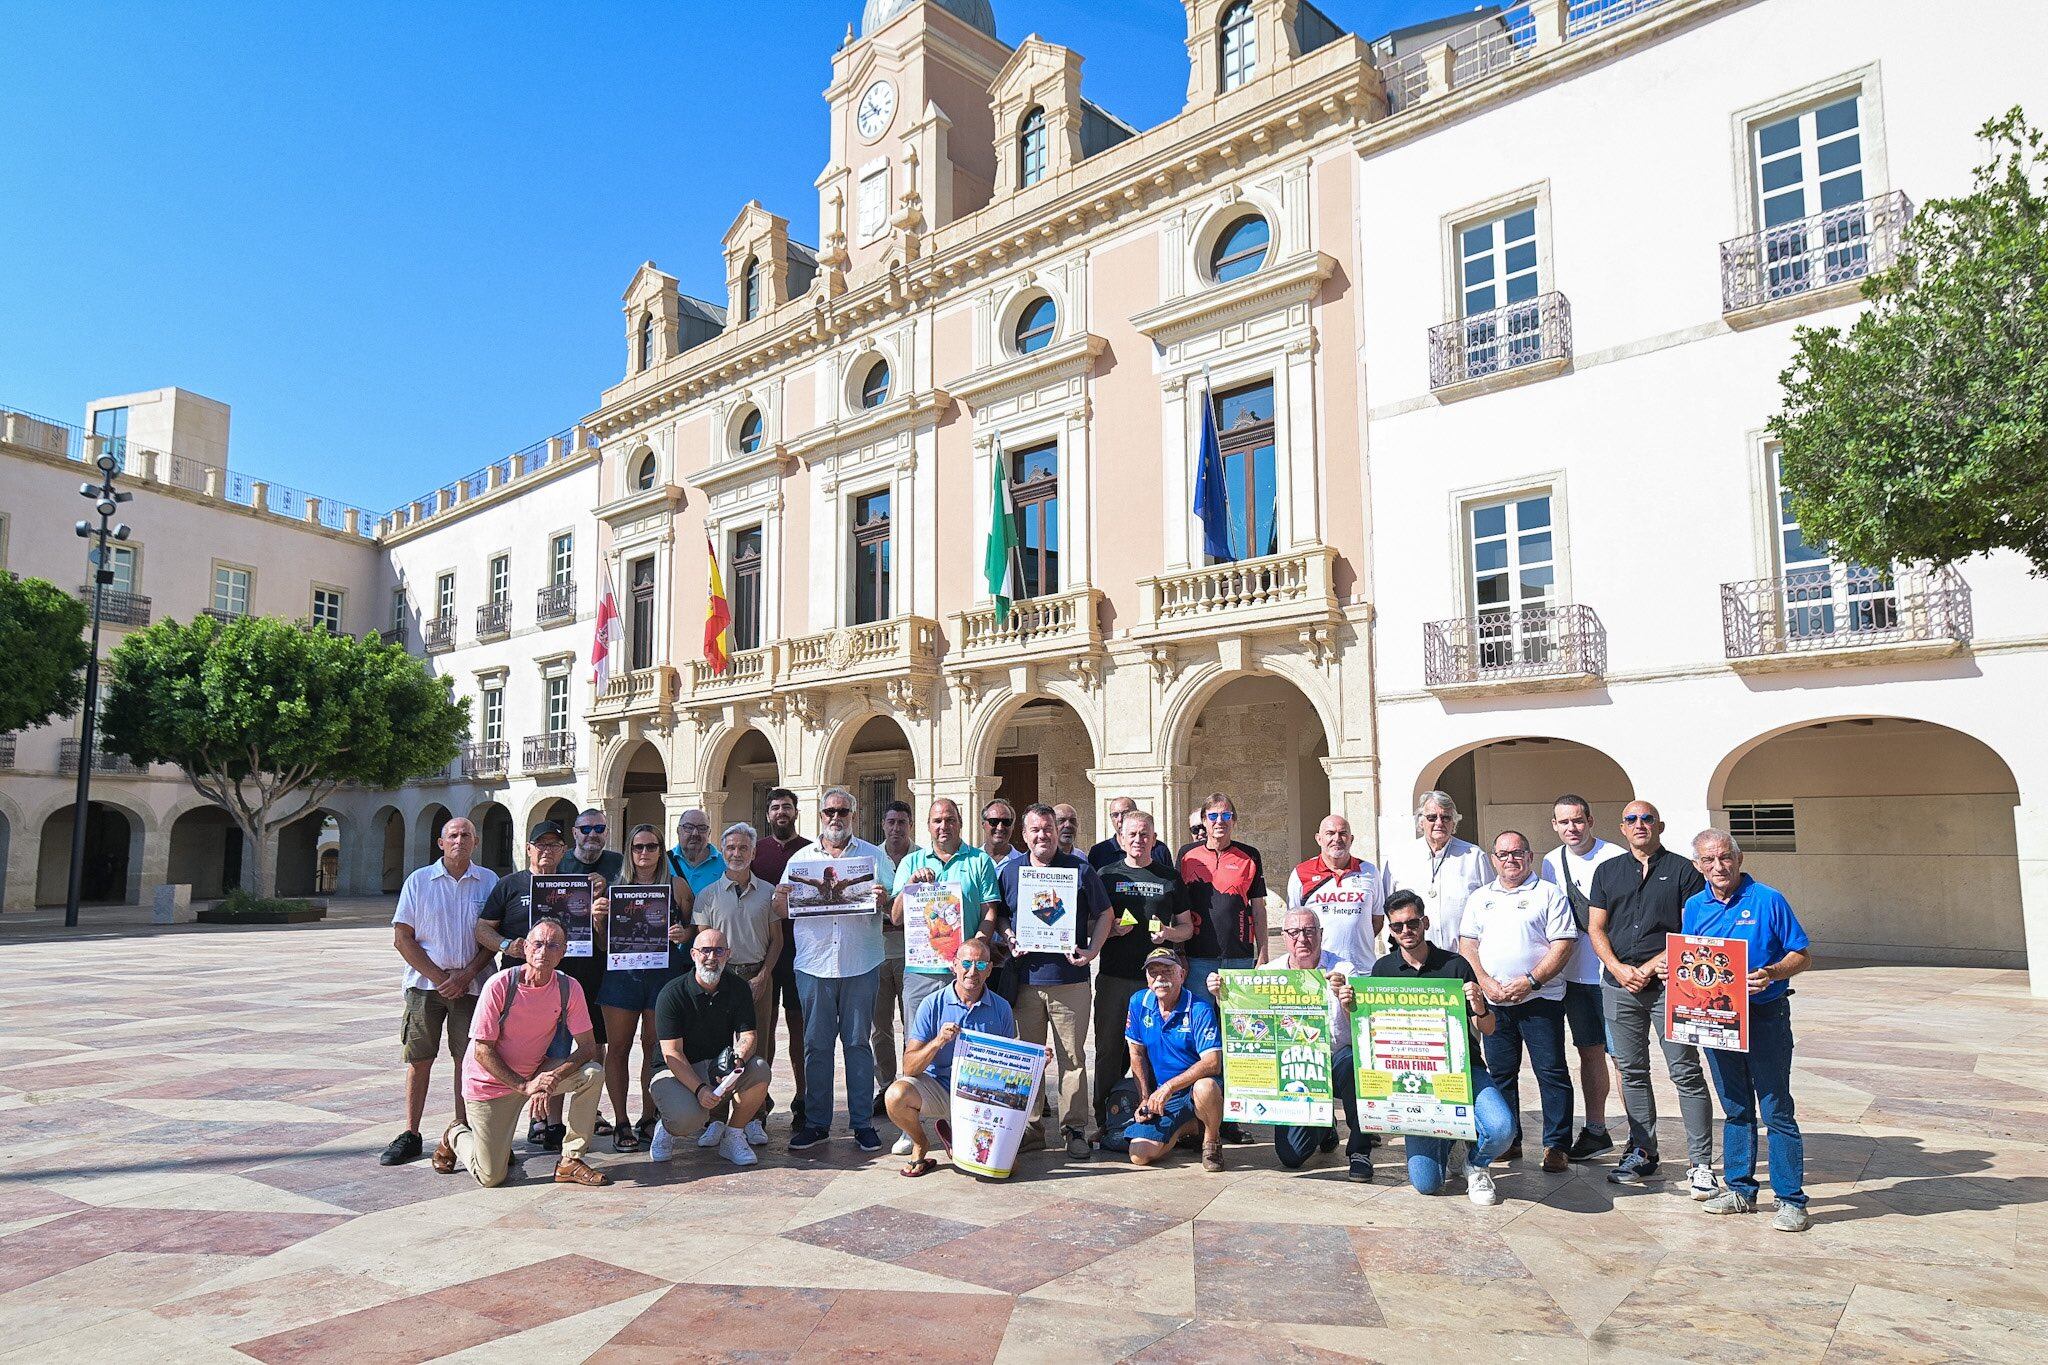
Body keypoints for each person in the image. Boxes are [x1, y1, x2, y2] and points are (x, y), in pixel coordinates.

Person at [1588, 801, 1718, 1197]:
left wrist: (1648, 967)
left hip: (1669, 986)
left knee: (1685, 1071)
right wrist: (1618, 968)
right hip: (1618, 984)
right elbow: (1596, 928)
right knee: (1631, 1072)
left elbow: (1691, 930)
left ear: (1659, 825)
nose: (1639, 824)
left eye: (1646, 818)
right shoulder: (1608, 870)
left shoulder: (1683, 870)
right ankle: (1643, 1152)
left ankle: (1700, 1164)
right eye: (1631, 819)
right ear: (1622, 828)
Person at [1686, 830, 1813, 1231]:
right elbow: (1694, 958)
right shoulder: (1693, 905)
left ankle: (1791, 1200)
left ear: (1738, 860)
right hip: (1717, 1020)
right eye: (1708, 861)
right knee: (1736, 1108)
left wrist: (1773, 973)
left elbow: (1802, 954)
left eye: (1725, 858)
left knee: (1776, 1108)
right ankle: (1740, 1189)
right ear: (1698, 866)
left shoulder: (1768, 899)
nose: (1718, 867)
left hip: (1765, 1014)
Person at [1361, 891, 1517, 1204]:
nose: (1406, 931)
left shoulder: (1455, 966)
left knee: (1501, 1129)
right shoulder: (1382, 970)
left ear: (1425, 922)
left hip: (1461, 1069)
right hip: (1411, 1081)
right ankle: (1452, 1138)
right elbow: (1371, 1028)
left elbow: (1488, 1027)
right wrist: (1353, 1007)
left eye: (1412, 922)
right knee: (1427, 1184)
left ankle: (1476, 1162)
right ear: (1390, 930)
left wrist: (1481, 1007)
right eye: (1397, 926)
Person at [432, 919, 610, 1187]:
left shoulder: (568, 987)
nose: (543, 952)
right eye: (537, 944)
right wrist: (525, 1086)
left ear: (563, 952)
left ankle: (571, 1160)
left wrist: (551, 1078)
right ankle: (456, 1133)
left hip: (535, 1073)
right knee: (491, 1176)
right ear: (525, 948)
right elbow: (481, 1050)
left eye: (553, 946)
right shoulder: (500, 985)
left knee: (593, 1073)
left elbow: (587, 1046)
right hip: (491, 1084)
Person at [474, 819, 609, 1151]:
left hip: (566, 986)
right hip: (519, 988)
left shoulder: (578, 885)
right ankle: (523, 1119)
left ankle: (552, 1123)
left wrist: (599, 905)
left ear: (564, 851)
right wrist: (506, 945)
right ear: (529, 849)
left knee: (560, 1050)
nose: (547, 851)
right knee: (520, 1052)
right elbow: (482, 928)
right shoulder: (510, 885)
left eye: (554, 846)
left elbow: (599, 935)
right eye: (541, 845)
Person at [1207, 908, 1370, 1179]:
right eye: (1294, 932)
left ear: (1320, 934)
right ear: (1284, 936)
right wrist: (1220, 994)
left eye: (1308, 931)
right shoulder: (1268, 972)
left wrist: (1347, 1001)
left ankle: (1360, 1152)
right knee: (1291, 1157)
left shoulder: (1344, 969)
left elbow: (1361, 1026)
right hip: (1294, 1069)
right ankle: (1325, 1122)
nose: (1302, 938)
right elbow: (1244, 1019)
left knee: (1354, 1063)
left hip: (1335, 1058)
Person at [998, 803, 1114, 1161]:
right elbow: (1001, 912)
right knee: (1028, 1058)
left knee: (1073, 1058)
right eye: (1035, 830)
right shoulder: (1011, 871)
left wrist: (1092, 951)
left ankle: (1074, 1129)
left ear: (1055, 830)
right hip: (1026, 981)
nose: (1042, 836)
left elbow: (1105, 913)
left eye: (1047, 829)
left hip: (1070, 980)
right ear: (1025, 835)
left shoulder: (1079, 868)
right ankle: (1031, 1128)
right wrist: (1008, 935)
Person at [775, 787, 888, 1153]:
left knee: (857, 1045)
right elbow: (783, 908)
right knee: (816, 1046)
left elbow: (891, 905)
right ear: (820, 816)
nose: (836, 818)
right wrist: (780, 901)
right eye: (829, 812)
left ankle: (861, 1124)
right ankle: (817, 1123)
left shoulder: (873, 857)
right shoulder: (800, 859)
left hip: (860, 962)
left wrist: (884, 900)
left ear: (853, 815)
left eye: (843, 811)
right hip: (814, 964)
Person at [889, 798, 1004, 1152]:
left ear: (960, 823)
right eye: (937, 820)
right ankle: (911, 1128)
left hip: (967, 972)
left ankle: (969, 1115)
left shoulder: (978, 860)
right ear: (928, 825)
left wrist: (979, 944)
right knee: (917, 1042)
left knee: (972, 1042)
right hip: (923, 970)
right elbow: (895, 917)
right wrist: (911, 885)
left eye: (950, 820)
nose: (944, 826)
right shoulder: (912, 861)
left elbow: (990, 909)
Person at [1460, 831, 1578, 1173]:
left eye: (1517, 853)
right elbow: (1468, 943)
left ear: (1529, 855)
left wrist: (1530, 981)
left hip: (1540, 999)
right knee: (1501, 1073)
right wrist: (1484, 982)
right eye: (1503, 854)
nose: (1510, 860)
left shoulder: (1548, 894)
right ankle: (1508, 1139)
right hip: (1494, 1001)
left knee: (1551, 1071)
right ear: (1493, 859)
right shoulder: (1481, 897)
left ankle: (1556, 1144)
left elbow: (1563, 945)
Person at [384, 817, 499, 1166]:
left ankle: (463, 1130)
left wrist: (467, 975)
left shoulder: (489, 882)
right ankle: (411, 1132)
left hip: (473, 987)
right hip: (424, 988)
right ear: (440, 842)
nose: (459, 840)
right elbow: (402, 938)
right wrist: (439, 977)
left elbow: (494, 937)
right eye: (453, 835)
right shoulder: (418, 882)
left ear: (475, 842)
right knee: (419, 1059)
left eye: (466, 835)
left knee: (469, 1062)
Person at [1093, 810, 1193, 1140]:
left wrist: (1168, 933)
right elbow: (1089, 926)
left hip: (1158, 982)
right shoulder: (1105, 875)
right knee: (1109, 1049)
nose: (1139, 840)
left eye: (1145, 834)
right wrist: (1109, 932)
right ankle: (1104, 1119)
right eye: (1132, 834)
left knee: (1153, 1050)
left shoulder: (1169, 877)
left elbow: (1187, 928)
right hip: (1114, 977)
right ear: (1120, 838)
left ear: (1154, 837)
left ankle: (1156, 1113)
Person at [596, 823, 694, 1153]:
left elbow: (693, 928)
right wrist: (598, 920)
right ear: (629, 851)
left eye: (651, 847)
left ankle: (648, 1117)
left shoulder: (677, 886)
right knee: (619, 1048)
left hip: (663, 976)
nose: (644, 853)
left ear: (660, 850)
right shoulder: (615, 888)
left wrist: (685, 934)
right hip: (622, 976)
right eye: (638, 847)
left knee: (655, 1049)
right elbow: (602, 944)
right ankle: (621, 1121)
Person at [885, 937, 1017, 1177]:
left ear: (989, 969)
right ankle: (920, 1143)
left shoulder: (1002, 1008)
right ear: (954, 965)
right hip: (939, 1088)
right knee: (896, 1095)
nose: (971, 971)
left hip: (981, 1097)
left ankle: (958, 1136)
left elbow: (1010, 1065)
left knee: (995, 1169)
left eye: (979, 965)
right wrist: (938, 1041)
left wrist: (1037, 1061)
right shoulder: (931, 1004)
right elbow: (909, 1066)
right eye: (966, 963)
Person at [1540, 794, 1624, 1162]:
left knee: (1625, 1058)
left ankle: (1640, 1137)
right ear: (1554, 825)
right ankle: (1596, 1130)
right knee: (1589, 1053)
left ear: (1590, 820)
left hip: (1615, 973)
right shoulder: (1550, 862)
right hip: (1574, 976)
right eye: (1564, 822)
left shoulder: (1616, 856)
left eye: (1577, 821)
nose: (1571, 828)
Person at [647, 928, 773, 1167]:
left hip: (717, 1066)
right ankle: (666, 1127)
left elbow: (748, 1035)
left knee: (759, 1069)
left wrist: (739, 1060)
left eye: (719, 950)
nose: (712, 957)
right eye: (705, 950)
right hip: (674, 1070)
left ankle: (733, 1135)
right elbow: (672, 1053)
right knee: (688, 1119)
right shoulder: (672, 993)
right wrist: (700, 1090)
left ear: (728, 954)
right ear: (694, 954)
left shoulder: (738, 987)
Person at [689, 822, 780, 1146]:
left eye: (743, 848)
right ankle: (716, 1117)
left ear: (753, 852)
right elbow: (701, 943)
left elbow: (776, 941)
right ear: (722, 852)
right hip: (719, 979)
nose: (736, 853)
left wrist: (763, 977)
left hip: (757, 978)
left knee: (759, 1047)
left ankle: (755, 1116)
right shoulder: (707, 895)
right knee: (717, 1049)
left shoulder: (768, 892)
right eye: (730, 848)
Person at [1123, 949, 1225, 1173]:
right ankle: (1190, 1125)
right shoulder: (1139, 1002)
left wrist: (1169, 1087)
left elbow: (1212, 1063)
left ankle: (1211, 1141)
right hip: (1164, 1095)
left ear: (1182, 974)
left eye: (1167, 971)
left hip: (1192, 1088)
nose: (1160, 978)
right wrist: (1144, 1098)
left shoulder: (1200, 1008)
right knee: (1139, 1155)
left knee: (1206, 1087)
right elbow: (1136, 1054)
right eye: (1153, 972)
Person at [752, 787, 811, 1126]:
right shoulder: (756, 852)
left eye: (787, 807)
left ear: (796, 812)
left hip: (803, 952)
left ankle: (803, 1098)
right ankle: (759, 1098)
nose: (781, 813)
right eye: (775, 808)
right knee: (763, 1028)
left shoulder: (809, 851)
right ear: (768, 814)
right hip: (765, 952)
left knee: (799, 1027)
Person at [1179, 792, 1268, 1009]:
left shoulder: (1250, 855)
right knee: (1200, 1021)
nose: (1220, 821)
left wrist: (1263, 953)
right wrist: (1179, 952)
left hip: (1239, 956)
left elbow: (1258, 909)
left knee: (1241, 1024)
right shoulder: (1186, 855)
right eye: (1213, 816)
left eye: (1226, 816)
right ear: (1203, 821)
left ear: (1234, 821)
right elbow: (1178, 907)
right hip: (1197, 956)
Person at [1381, 791, 1489, 953]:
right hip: (1413, 957)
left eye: (1445, 817)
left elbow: (1490, 906)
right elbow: (1387, 907)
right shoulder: (1399, 857)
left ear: (1454, 822)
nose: (1439, 822)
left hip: (1462, 957)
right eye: (1432, 817)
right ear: (1421, 821)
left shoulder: (1474, 856)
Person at [1286, 814, 1382, 969]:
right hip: (1320, 970)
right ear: (1318, 839)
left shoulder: (1369, 872)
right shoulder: (1300, 873)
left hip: (1362, 968)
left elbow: (1377, 921)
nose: (1337, 839)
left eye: (1343, 834)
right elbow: (1294, 924)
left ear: (1351, 839)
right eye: (1330, 833)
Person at [871, 798, 916, 1117]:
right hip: (876, 952)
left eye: (902, 822)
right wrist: (894, 910)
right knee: (880, 1027)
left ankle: (911, 1085)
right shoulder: (870, 858)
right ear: (883, 825)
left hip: (913, 954)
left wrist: (889, 910)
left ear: (910, 825)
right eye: (891, 822)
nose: (896, 828)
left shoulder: (921, 858)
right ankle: (886, 1086)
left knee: (913, 1025)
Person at [1086, 795, 1174, 873]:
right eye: (1115, 815)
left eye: (1125, 813)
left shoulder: (1159, 850)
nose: (1120, 819)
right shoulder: (1098, 851)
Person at [666, 808, 726, 896]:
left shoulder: (725, 863)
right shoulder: (663, 861)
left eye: (702, 828)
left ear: (709, 833)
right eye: (689, 827)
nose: (695, 833)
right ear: (678, 831)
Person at [560, 807, 625, 881]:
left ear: (606, 833)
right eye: (586, 829)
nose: (592, 835)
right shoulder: (559, 862)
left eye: (599, 828)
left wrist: (605, 888)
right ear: (574, 833)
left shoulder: (619, 863)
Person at [980, 798, 1022, 867]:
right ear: (983, 825)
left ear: (1013, 826)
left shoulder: (1023, 864)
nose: (1000, 827)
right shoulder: (971, 861)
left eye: (1006, 822)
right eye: (994, 821)